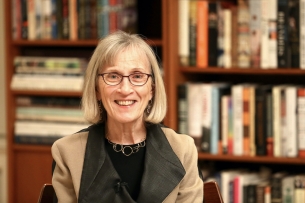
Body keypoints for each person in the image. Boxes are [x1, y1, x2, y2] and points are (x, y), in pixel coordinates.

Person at [51, 30, 203, 203]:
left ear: (152, 89)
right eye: (113, 76)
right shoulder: (67, 152)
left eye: (137, 76)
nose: (125, 89)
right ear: (96, 90)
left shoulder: (183, 150)